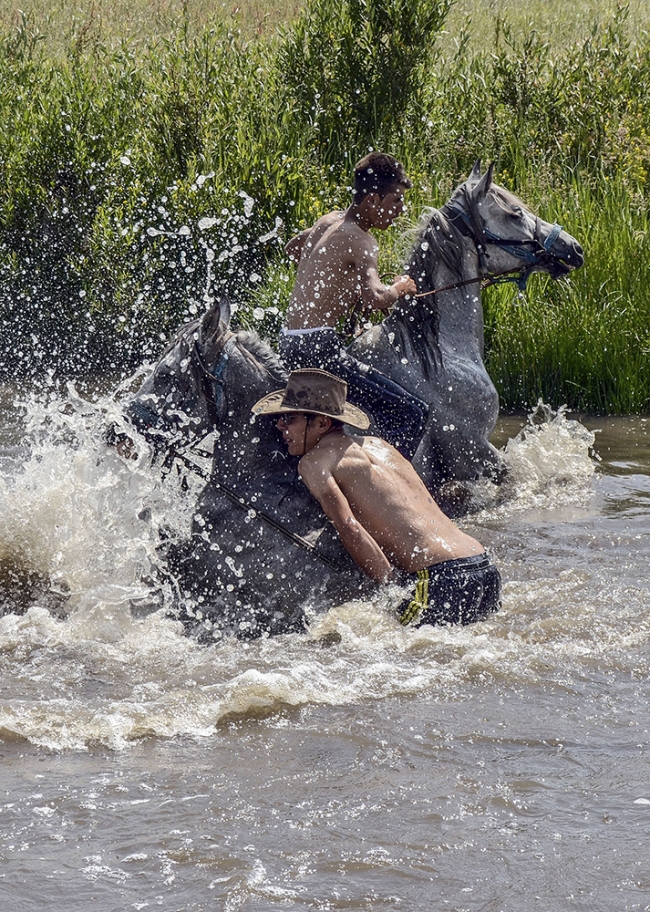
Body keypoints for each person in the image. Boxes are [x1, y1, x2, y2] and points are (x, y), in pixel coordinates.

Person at [252, 369, 501, 628]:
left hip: (439, 579)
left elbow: (349, 526)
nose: (280, 426)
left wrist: (391, 591)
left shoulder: (314, 462)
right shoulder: (380, 446)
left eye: (289, 418)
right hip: (483, 566)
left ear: (322, 424)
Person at [279, 151, 428, 461]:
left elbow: (293, 247)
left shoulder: (328, 221)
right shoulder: (363, 240)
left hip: (290, 344)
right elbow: (376, 296)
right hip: (319, 350)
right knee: (411, 414)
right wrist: (400, 288)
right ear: (373, 200)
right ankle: (385, 495)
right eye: (396, 201)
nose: (400, 211)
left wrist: (339, 289)